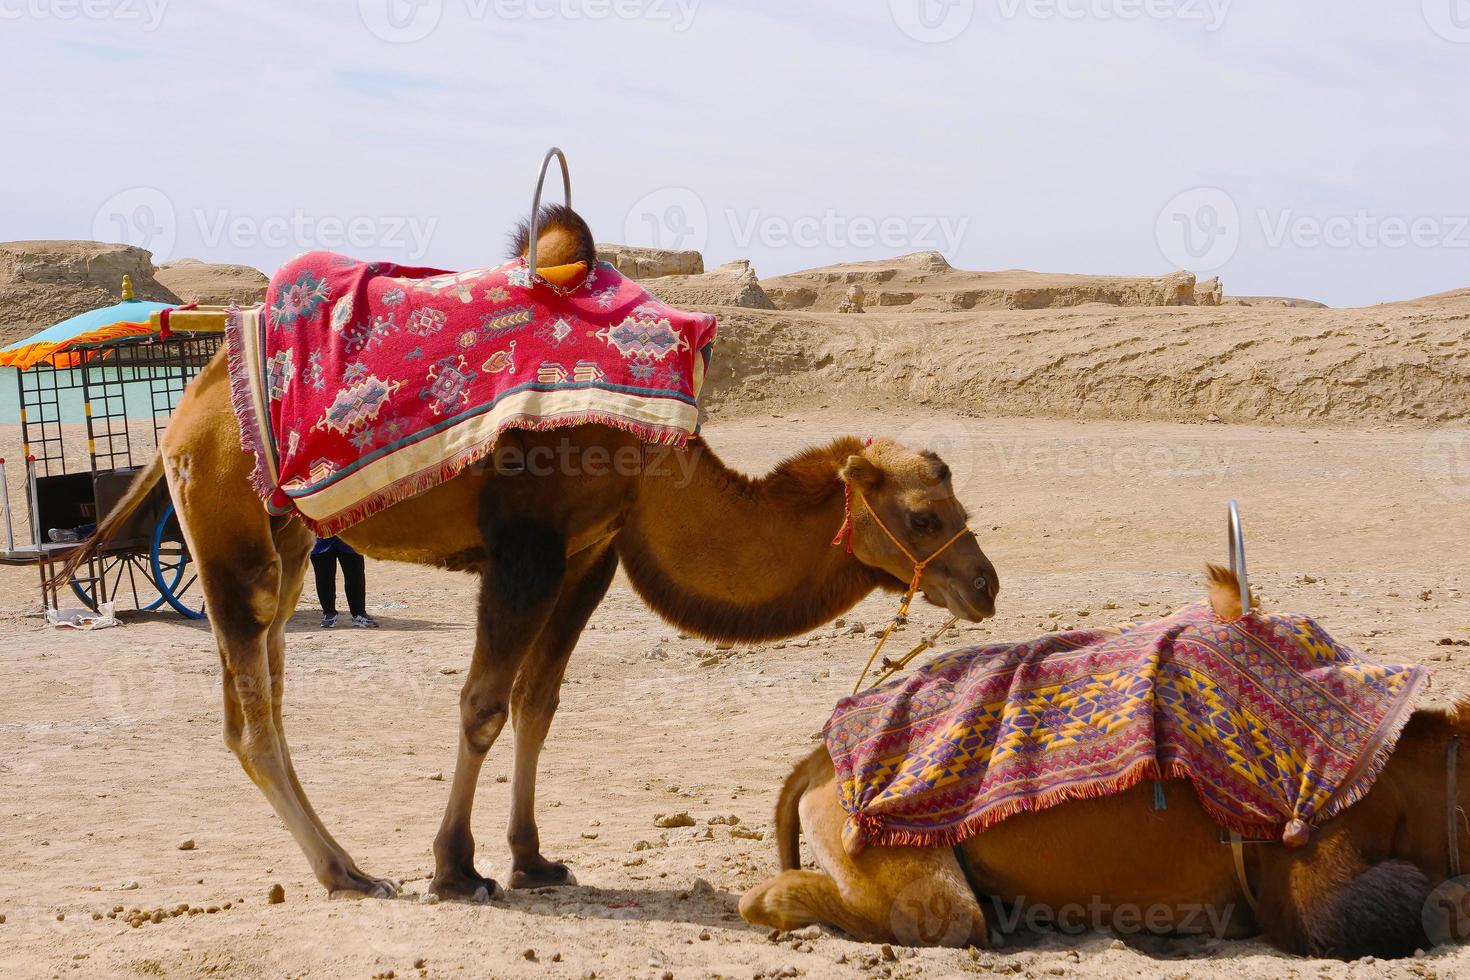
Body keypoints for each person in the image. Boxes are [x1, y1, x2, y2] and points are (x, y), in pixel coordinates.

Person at [310, 537, 378, 628]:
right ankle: (329, 613)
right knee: (323, 578)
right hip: (321, 539)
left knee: (355, 576)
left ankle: (359, 614)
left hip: (349, 538)